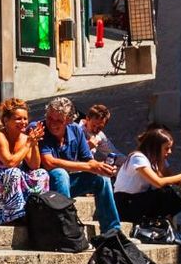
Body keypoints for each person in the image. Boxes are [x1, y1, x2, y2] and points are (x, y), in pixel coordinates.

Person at [35, 96, 121, 235]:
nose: (52, 123)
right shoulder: (39, 128)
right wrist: (90, 167)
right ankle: (67, 226)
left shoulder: (75, 130)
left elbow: (88, 159)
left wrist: (101, 167)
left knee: (102, 179)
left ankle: (112, 231)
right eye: (50, 118)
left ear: (69, 120)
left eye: (59, 120)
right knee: (60, 173)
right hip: (42, 188)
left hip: (66, 184)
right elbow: (49, 162)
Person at [115, 127, 181, 242]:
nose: (169, 152)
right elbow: (158, 182)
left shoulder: (156, 161)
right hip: (126, 204)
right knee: (167, 192)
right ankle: (153, 221)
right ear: (156, 148)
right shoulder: (138, 158)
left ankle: (159, 223)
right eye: (166, 148)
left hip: (138, 201)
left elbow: (176, 181)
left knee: (175, 190)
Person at [0, 98, 50, 225]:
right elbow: (10, 163)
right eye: (18, 119)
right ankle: (13, 217)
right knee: (13, 173)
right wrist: (29, 143)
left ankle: (36, 210)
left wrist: (34, 143)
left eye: (25, 119)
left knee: (42, 174)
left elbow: (35, 165)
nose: (23, 122)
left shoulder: (24, 138)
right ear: (6, 120)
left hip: (10, 180)